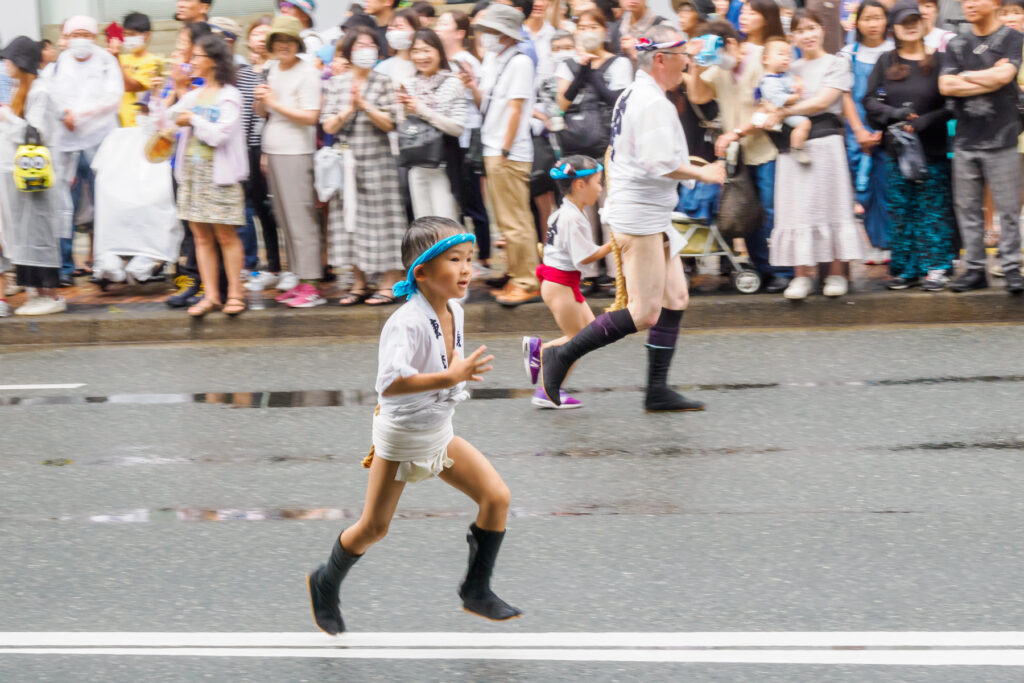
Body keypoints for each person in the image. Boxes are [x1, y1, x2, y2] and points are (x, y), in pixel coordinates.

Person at [306, 217, 521, 635]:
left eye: (469, 259)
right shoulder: (405, 323)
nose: (466, 270)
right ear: (420, 272)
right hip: (403, 436)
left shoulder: (454, 310)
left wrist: (451, 378)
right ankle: (325, 581)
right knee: (374, 527)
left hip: (438, 431)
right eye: (454, 260)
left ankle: (476, 590)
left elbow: (446, 371)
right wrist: (451, 377)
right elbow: (389, 382)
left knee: (496, 497)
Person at [531, 25, 726, 411]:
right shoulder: (652, 102)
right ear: (660, 59)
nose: (686, 62)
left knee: (676, 297)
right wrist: (704, 173)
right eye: (681, 55)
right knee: (644, 312)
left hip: (646, 211)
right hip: (639, 217)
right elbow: (658, 163)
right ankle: (562, 355)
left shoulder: (635, 92)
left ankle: (656, 390)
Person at [685, 19, 794, 293]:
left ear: (731, 44)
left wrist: (734, 132)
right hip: (740, 153)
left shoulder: (761, 57)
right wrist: (696, 66)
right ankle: (763, 269)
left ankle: (783, 270)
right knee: (749, 212)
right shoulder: (718, 68)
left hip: (767, 148)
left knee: (770, 211)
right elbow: (698, 97)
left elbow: (771, 107)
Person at [763, 10, 865, 300]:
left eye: (811, 28)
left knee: (830, 204)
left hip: (826, 143)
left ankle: (836, 272)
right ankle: (801, 276)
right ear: (792, 36)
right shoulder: (788, 68)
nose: (807, 35)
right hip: (792, 146)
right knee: (797, 208)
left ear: (821, 30)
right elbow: (768, 98)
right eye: (800, 30)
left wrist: (784, 110)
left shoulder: (837, 63)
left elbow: (823, 101)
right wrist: (775, 110)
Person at [863, 0, 954, 291]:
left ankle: (937, 268)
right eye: (904, 22)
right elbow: (870, 102)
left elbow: (951, 104)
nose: (911, 25)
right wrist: (894, 115)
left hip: (933, 148)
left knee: (934, 208)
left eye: (915, 19)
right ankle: (907, 269)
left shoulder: (939, 59)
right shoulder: (886, 61)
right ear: (894, 29)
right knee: (902, 209)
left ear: (924, 23)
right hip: (898, 149)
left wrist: (927, 120)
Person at [939, 0, 1024, 294]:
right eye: (965, 1)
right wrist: (986, 78)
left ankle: (1012, 266)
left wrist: (964, 76)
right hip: (965, 138)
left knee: (1008, 208)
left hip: (1003, 136)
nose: (969, 4)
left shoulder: (1013, 38)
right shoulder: (957, 43)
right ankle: (974, 269)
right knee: (968, 208)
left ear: (996, 3)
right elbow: (946, 86)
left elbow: (1006, 76)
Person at [321, 26, 407, 306]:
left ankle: (388, 282)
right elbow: (328, 124)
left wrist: (365, 105)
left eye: (370, 44)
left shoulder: (383, 81)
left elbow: (391, 122)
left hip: (378, 160)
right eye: (359, 45)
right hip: (347, 162)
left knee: (384, 220)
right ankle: (359, 282)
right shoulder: (335, 83)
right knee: (350, 221)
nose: (365, 49)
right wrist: (350, 107)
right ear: (348, 51)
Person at [168, 34, 249, 317]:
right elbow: (165, 121)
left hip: (219, 175)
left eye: (197, 57)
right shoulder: (192, 95)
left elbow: (219, 136)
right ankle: (212, 295)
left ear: (212, 61)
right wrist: (173, 89)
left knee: (226, 235)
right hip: (192, 173)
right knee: (200, 236)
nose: (192, 62)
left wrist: (193, 118)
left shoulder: (230, 95)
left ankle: (236, 294)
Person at [523, 156, 612, 409]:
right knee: (577, 341)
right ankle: (547, 389)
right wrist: (615, 244)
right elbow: (584, 257)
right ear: (580, 185)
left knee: (591, 334)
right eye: (598, 182)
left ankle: (541, 355)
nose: (601, 188)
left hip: (560, 282)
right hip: (560, 284)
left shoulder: (562, 212)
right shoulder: (572, 218)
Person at [255, 15, 326, 308]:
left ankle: (311, 283)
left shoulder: (308, 72)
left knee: (301, 219)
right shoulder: (270, 68)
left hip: (297, 152)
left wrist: (273, 104)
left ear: (297, 43)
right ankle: (297, 278)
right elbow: (263, 112)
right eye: (278, 41)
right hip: (274, 150)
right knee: (285, 219)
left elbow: (310, 116)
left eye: (288, 40)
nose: (283, 46)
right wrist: (262, 102)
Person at [556, 9, 632, 277]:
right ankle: (586, 273)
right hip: (576, 151)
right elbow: (561, 104)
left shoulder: (619, 63)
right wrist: (580, 74)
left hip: (608, 149)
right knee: (580, 215)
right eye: (582, 27)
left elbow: (619, 101)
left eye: (593, 26)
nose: (587, 32)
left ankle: (616, 274)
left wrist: (595, 76)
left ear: (604, 31)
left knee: (609, 211)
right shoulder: (566, 64)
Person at [476, 4, 542, 306]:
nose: (485, 36)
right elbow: (490, 102)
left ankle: (527, 280)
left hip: (509, 151)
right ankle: (516, 274)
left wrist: (504, 148)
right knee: (506, 219)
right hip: (495, 148)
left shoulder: (519, 62)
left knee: (516, 220)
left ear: (502, 33)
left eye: (489, 31)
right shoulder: (496, 59)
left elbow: (516, 109)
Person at [51, 16, 125, 287]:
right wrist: (63, 114)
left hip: (100, 142)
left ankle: (105, 265)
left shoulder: (106, 61)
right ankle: (65, 268)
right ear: (67, 37)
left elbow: (113, 97)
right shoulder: (58, 64)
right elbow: (50, 95)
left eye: (85, 33)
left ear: (94, 37)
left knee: (104, 203)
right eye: (75, 34)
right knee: (64, 206)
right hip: (66, 144)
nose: (80, 39)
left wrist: (79, 114)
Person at [0, 36, 70, 316]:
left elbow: (35, 134)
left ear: (21, 62)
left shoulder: (39, 91)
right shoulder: (22, 89)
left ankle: (49, 295)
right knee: (26, 233)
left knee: (38, 232)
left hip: (36, 175)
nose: (5, 64)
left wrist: (7, 118)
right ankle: (35, 293)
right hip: (23, 174)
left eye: (8, 59)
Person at [437, 10, 493, 271]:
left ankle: (483, 256)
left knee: (471, 198)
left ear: (460, 33)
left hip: (467, 138)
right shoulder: (445, 59)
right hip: (452, 137)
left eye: (444, 23)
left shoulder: (463, 60)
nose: (439, 27)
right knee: (461, 196)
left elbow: (479, 98)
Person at [841, 1, 894, 265]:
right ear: (857, 23)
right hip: (857, 131)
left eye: (878, 18)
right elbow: (846, 96)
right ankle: (874, 242)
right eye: (867, 19)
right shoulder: (848, 54)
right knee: (865, 189)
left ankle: (888, 243)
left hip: (890, 129)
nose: (873, 24)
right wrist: (859, 130)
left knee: (887, 185)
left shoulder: (895, 51)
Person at [399, 28, 467, 220]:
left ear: (439, 51)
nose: (421, 56)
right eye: (416, 51)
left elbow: (457, 128)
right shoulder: (408, 84)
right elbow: (404, 127)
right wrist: (402, 109)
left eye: (427, 50)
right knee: (424, 226)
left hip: (443, 166)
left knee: (447, 224)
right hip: (416, 165)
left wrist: (420, 109)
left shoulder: (452, 83)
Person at [755, 37, 814, 163]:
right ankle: (796, 148)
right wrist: (796, 96)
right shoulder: (769, 81)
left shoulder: (784, 74)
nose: (786, 58)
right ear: (766, 59)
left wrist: (798, 83)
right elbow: (778, 100)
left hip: (788, 110)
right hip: (782, 111)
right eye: (781, 54)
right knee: (804, 124)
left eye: (788, 55)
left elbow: (795, 79)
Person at [117, 13, 161, 128]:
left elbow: (130, 86)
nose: (127, 38)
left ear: (146, 35)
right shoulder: (122, 58)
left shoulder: (153, 61)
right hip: (117, 122)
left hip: (138, 124)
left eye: (132, 34)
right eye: (125, 34)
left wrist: (115, 58)